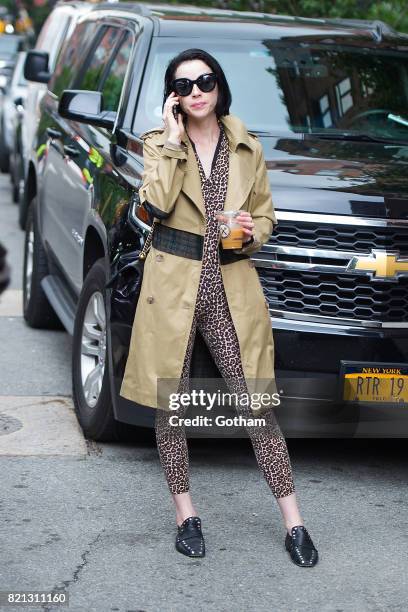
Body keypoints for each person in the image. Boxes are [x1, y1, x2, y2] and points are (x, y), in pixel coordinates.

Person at [120, 48, 318, 566]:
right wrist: (171, 139)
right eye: (183, 86)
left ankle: (294, 522)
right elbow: (156, 203)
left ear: (219, 85)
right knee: (172, 408)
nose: (196, 92)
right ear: (173, 98)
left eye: (204, 81)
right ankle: (186, 514)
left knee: (257, 407)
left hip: (231, 290)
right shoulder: (161, 144)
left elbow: (267, 217)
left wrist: (252, 234)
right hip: (173, 289)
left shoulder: (247, 147)